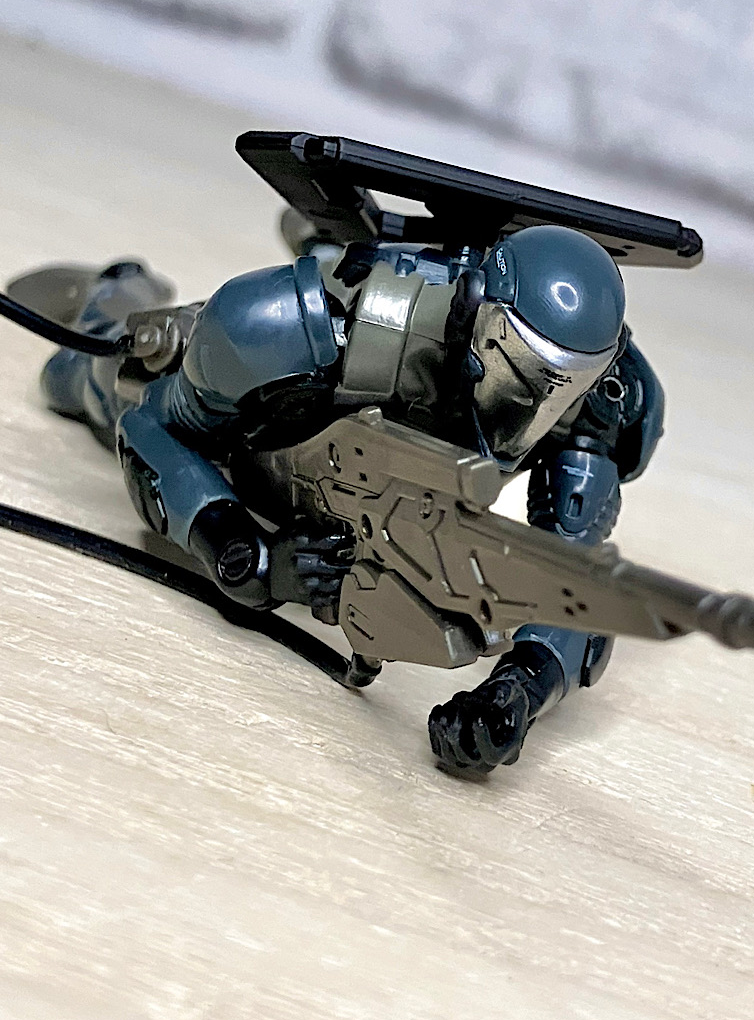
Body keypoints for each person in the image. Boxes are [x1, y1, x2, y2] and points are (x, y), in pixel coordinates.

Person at [33, 223, 665, 775]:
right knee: (84, 378)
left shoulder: (603, 405)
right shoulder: (282, 325)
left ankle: (321, 241)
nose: (541, 403)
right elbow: (152, 427)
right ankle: (120, 285)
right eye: (521, 366)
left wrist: (519, 692)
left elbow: (571, 573)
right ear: (477, 315)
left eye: (568, 383)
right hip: (250, 432)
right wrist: (244, 554)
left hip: (368, 478)